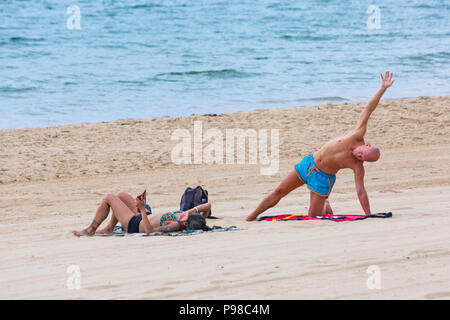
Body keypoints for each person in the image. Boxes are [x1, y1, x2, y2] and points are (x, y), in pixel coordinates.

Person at [246, 71, 395, 221]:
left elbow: (361, 191)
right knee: (278, 191)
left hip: (323, 179)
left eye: (363, 159)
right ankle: (251, 216)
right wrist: (383, 88)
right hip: (308, 164)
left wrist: (367, 214)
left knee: (313, 216)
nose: (359, 156)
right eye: (362, 153)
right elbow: (368, 109)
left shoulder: (358, 167)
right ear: (366, 145)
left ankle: (324, 203)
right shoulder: (357, 135)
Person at [72, 191, 211, 236]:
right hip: (140, 216)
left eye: (184, 220)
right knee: (121, 195)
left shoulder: (175, 225)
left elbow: (149, 232)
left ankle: (90, 230)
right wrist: (192, 212)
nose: (182, 218)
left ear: (185, 225)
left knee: (109, 198)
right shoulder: (187, 217)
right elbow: (207, 206)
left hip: (134, 224)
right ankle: (109, 228)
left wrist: (143, 209)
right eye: (184, 217)